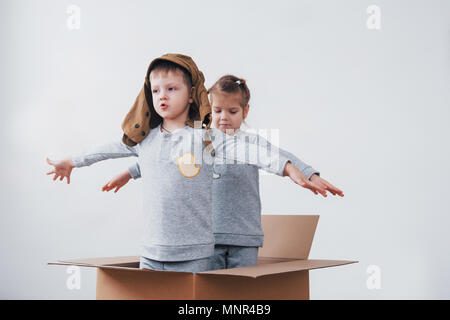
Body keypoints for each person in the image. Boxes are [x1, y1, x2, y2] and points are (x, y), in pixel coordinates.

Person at [46, 54, 325, 273]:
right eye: (155, 91)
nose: (162, 96)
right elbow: (108, 150)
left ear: (191, 94)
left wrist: (294, 171)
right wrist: (72, 161)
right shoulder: (146, 140)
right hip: (152, 252)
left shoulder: (205, 139)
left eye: (171, 88)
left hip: (195, 254)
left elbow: (261, 151)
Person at [99, 73, 343, 271]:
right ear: (208, 110)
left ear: (245, 112)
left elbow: (281, 156)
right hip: (208, 237)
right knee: (210, 293)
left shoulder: (251, 144)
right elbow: (166, 158)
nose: (223, 118)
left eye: (232, 112)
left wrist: (310, 175)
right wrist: (131, 172)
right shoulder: (201, 140)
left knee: (242, 294)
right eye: (217, 111)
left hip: (244, 236)